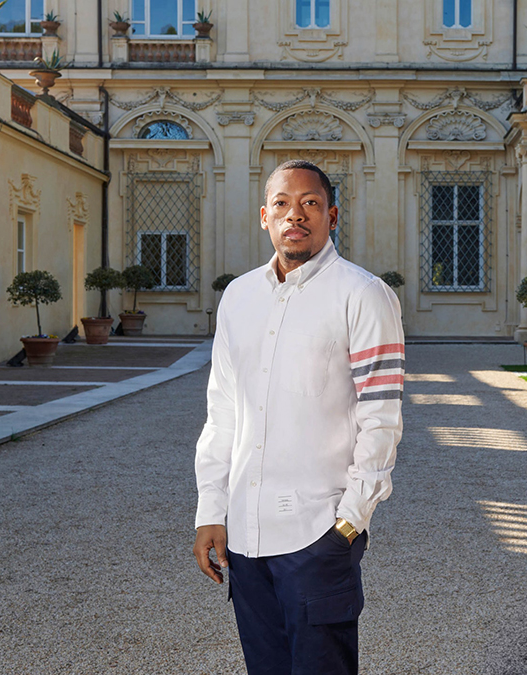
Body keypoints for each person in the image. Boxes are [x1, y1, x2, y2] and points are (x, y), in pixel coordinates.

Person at [193, 159, 404, 674]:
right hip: (244, 537)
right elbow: (222, 410)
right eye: (283, 204)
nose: (296, 215)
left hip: (317, 535)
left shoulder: (363, 294)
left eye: (310, 203)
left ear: (332, 216)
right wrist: (210, 510)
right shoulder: (238, 297)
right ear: (265, 216)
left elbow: (381, 416)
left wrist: (351, 522)